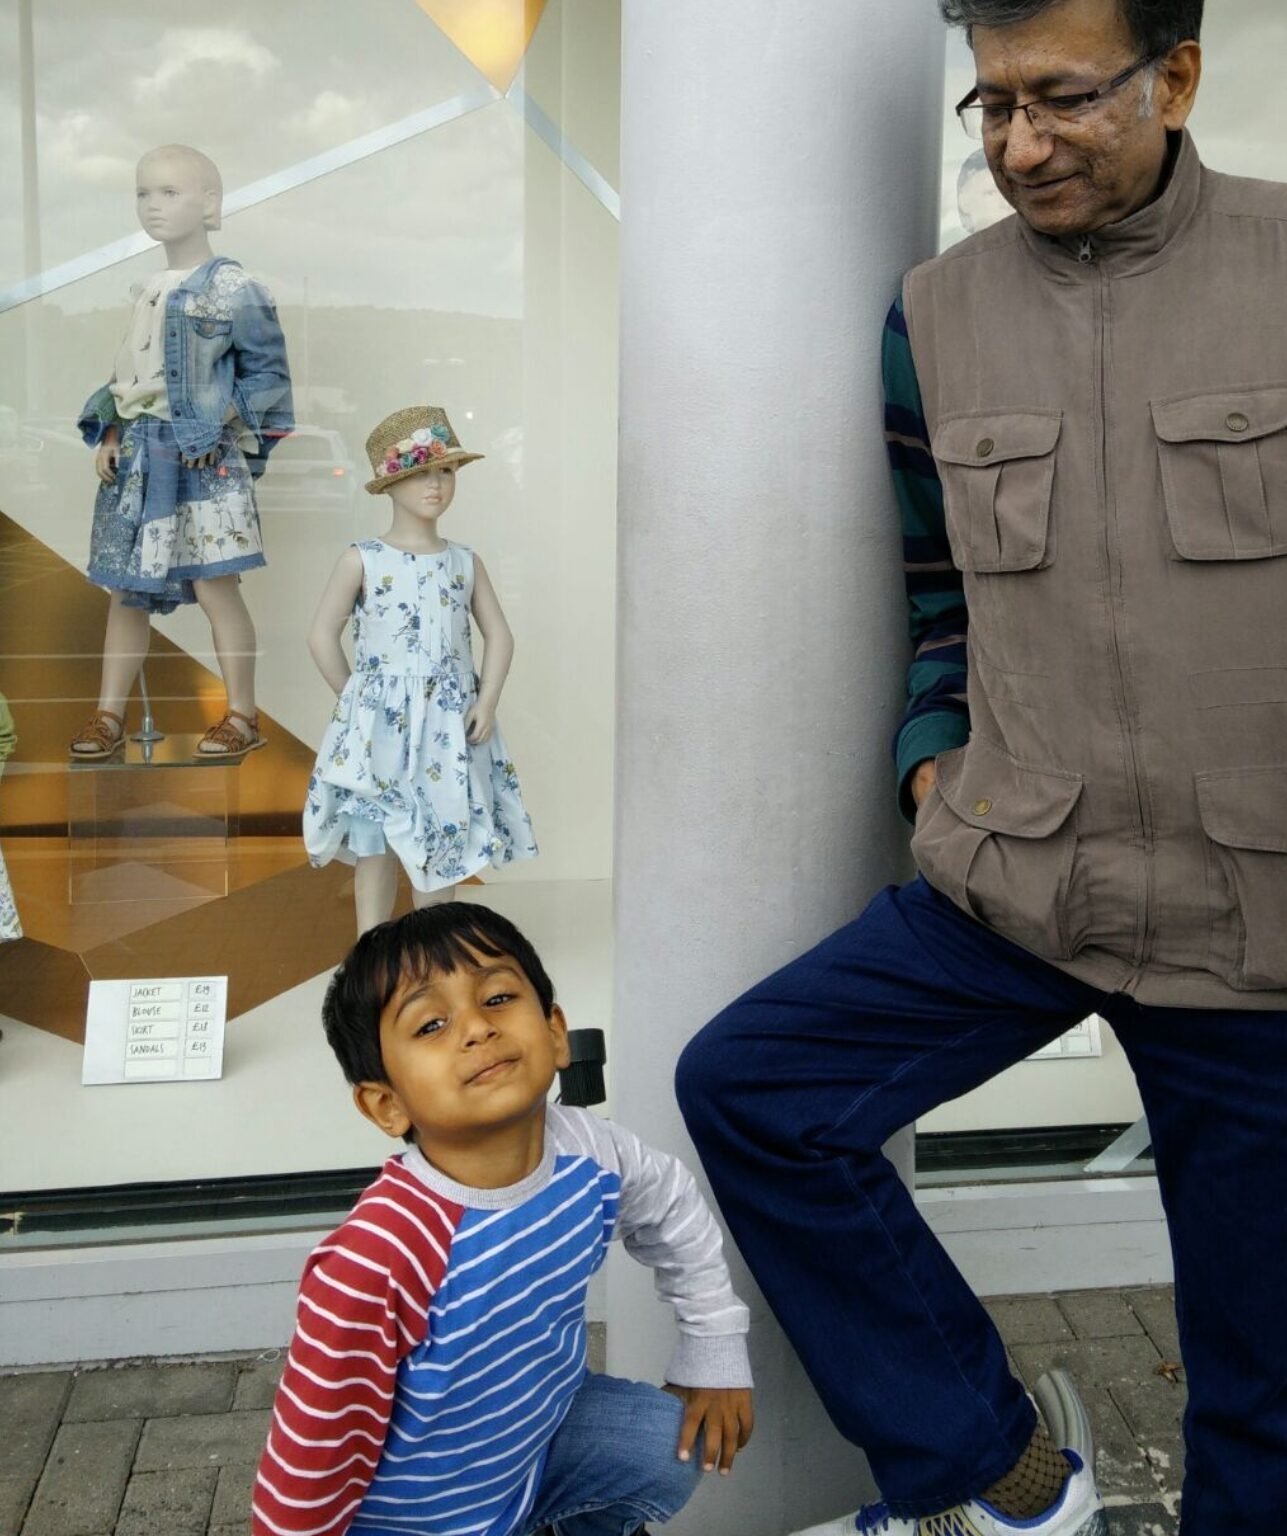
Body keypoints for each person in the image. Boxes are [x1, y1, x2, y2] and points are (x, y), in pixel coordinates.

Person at [677, 3, 1287, 1535]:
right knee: (754, 1090)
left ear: (1174, 77)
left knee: (1257, 1385)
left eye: (1061, 98)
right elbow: (937, 591)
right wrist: (932, 755)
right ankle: (996, 1471)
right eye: (991, 105)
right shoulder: (933, 317)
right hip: (1019, 881)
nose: (1018, 145)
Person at [252, 902, 755, 1536]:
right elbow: (306, 1467)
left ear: (555, 1032)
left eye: (497, 998)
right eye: (431, 1024)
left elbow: (671, 1203)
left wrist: (712, 1347)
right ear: (386, 1104)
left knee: (670, 1446)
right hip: (419, 1520)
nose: (476, 1028)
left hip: (536, 1448)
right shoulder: (377, 1258)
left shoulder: (589, 1153)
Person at [72, 144, 292, 760]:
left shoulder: (236, 288)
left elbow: (268, 377)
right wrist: (111, 433)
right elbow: (128, 377)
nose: (153, 205)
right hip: (140, 458)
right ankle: (109, 715)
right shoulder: (146, 289)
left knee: (217, 585)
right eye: (143, 193)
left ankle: (241, 715)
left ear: (209, 202)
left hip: (200, 459)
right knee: (126, 592)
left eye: (170, 192)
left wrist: (213, 427)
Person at [303, 406, 537, 934]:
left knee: (443, 830)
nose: (436, 485)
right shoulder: (362, 559)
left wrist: (487, 701)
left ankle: (431, 950)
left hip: (447, 726)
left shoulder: (464, 561)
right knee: (377, 837)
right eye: (420, 473)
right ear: (391, 483)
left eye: (446, 471)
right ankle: (371, 949)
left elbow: (499, 635)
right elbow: (321, 636)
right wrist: (355, 700)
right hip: (380, 728)